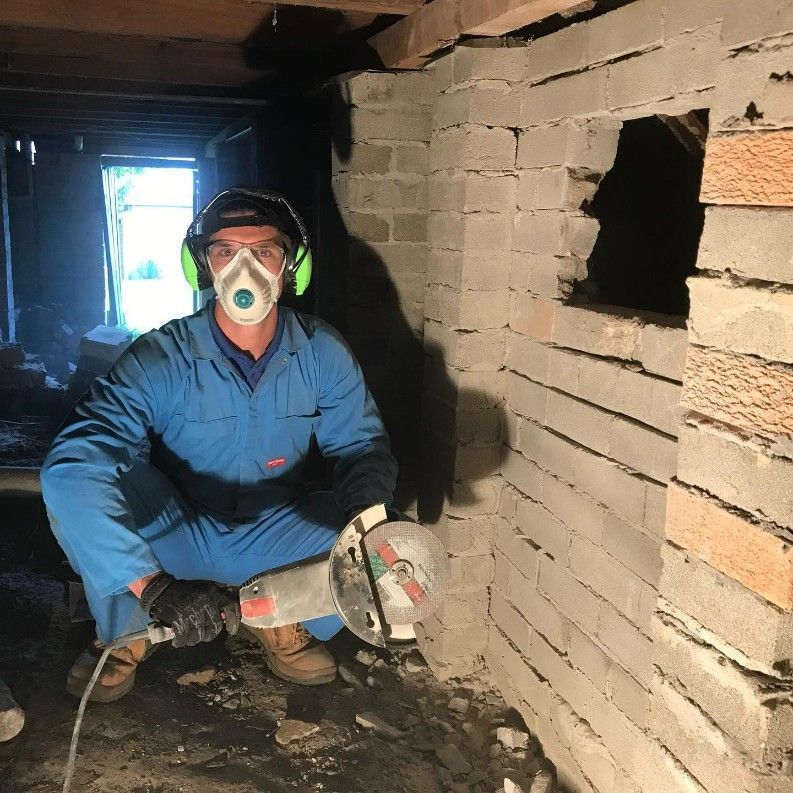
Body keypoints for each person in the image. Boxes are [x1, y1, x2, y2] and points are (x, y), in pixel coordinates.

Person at [41, 187, 397, 701]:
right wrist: (153, 585)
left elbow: (361, 449)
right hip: (182, 527)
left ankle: (285, 618)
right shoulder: (161, 357)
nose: (244, 269)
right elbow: (74, 465)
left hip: (277, 530)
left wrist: (369, 523)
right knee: (81, 488)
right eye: (226, 251)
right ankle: (128, 627)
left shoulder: (323, 352)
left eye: (264, 251)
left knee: (368, 523)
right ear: (202, 268)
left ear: (291, 267)